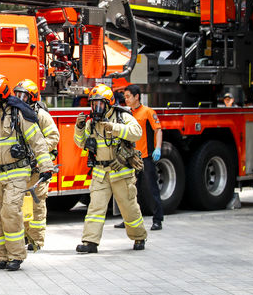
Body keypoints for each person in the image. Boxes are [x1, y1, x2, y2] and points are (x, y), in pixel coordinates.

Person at [0, 73, 54, 271]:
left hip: (16, 174)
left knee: (10, 213)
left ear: (1, 96)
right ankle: (3, 256)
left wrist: (46, 167)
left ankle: (16, 255)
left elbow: (38, 142)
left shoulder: (18, 114)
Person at [74, 83, 147, 253]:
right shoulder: (91, 123)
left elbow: (137, 132)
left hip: (121, 171)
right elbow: (80, 143)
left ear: (108, 104)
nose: (95, 107)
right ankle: (90, 242)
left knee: (129, 207)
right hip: (100, 173)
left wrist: (114, 128)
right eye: (93, 104)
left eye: (99, 103)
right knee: (95, 208)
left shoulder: (122, 116)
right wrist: (79, 128)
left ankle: (139, 237)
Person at [13, 79, 59, 251]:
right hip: (21, 167)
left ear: (31, 97)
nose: (19, 99)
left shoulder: (40, 115)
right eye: (17, 95)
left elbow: (54, 137)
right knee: (22, 203)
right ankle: (25, 236)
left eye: (22, 96)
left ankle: (36, 241)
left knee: (37, 204)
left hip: (38, 168)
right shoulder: (14, 115)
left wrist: (36, 151)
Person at [115, 84, 164, 231]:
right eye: (125, 97)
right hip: (132, 158)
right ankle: (130, 219)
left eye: (128, 96)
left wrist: (158, 148)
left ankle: (157, 220)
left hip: (146, 157)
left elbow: (158, 130)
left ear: (137, 96)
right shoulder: (128, 114)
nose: (126, 99)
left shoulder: (148, 112)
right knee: (131, 191)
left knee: (151, 188)